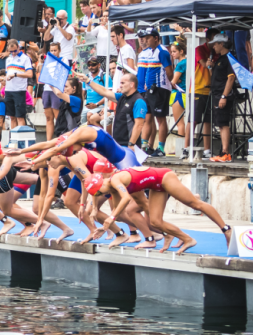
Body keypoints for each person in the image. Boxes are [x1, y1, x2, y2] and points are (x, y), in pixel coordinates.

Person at [84, 167, 232, 254]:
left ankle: (226, 230)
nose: (101, 194)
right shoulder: (112, 189)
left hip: (164, 177)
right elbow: (119, 212)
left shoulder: (115, 180)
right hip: (155, 186)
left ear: (101, 184)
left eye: (99, 192)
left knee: (195, 204)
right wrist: (105, 227)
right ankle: (187, 239)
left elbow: (126, 199)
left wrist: (110, 217)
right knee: (155, 221)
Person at [77, 71, 146, 149]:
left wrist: (131, 144)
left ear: (132, 84)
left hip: (130, 146)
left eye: (123, 83)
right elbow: (104, 91)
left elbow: (139, 125)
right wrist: (88, 81)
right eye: (120, 83)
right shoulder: (122, 97)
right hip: (118, 144)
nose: (120, 86)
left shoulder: (138, 101)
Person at [136, 28, 173, 158]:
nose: (145, 40)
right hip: (150, 90)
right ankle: (144, 147)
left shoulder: (162, 52)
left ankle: (161, 148)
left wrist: (170, 84)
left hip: (160, 89)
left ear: (156, 38)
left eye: (148, 37)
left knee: (160, 119)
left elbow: (169, 71)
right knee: (147, 118)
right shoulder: (151, 51)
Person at [188, 28, 219, 160]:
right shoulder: (199, 49)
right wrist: (210, 64)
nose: (217, 42)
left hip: (210, 89)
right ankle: (186, 148)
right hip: (197, 88)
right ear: (208, 39)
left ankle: (207, 150)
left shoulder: (217, 51)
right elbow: (203, 63)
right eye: (214, 39)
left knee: (208, 120)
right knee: (193, 119)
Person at [208, 34, 237, 163]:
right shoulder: (220, 59)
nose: (213, 46)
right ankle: (223, 152)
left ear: (222, 44)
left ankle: (225, 152)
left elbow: (231, 78)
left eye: (215, 44)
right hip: (216, 94)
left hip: (222, 95)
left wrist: (224, 96)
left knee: (223, 123)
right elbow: (215, 77)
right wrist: (211, 67)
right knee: (220, 123)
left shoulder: (229, 59)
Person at [3, 39, 33, 128]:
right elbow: (7, 74)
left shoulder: (25, 58)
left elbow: (30, 74)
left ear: (19, 47)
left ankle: (21, 138)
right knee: (12, 117)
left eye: (15, 51)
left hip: (19, 90)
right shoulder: (8, 59)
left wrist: (16, 74)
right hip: (8, 90)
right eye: (10, 51)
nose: (13, 53)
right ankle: (13, 138)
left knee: (20, 116)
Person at [168, 40, 188, 158]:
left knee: (179, 123)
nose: (172, 54)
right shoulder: (187, 62)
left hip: (179, 94)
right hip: (185, 93)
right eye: (171, 52)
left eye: (174, 52)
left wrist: (175, 81)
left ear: (181, 51)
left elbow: (173, 82)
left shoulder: (180, 64)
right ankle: (183, 148)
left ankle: (180, 149)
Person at [42, 43, 63, 140]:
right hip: (47, 89)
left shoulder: (63, 59)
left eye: (55, 50)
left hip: (56, 89)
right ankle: (48, 142)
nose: (53, 52)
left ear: (59, 50)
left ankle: (60, 139)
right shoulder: (47, 60)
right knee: (48, 118)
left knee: (57, 117)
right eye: (51, 50)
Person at [81, 57, 108, 125]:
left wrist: (96, 104)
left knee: (89, 115)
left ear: (99, 65)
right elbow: (83, 93)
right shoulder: (86, 77)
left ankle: (98, 134)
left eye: (93, 65)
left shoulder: (105, 76)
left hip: (100, 106)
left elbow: (109, 95)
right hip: (88, 106)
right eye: (89, 65)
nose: (91, 67)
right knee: (81, 117)